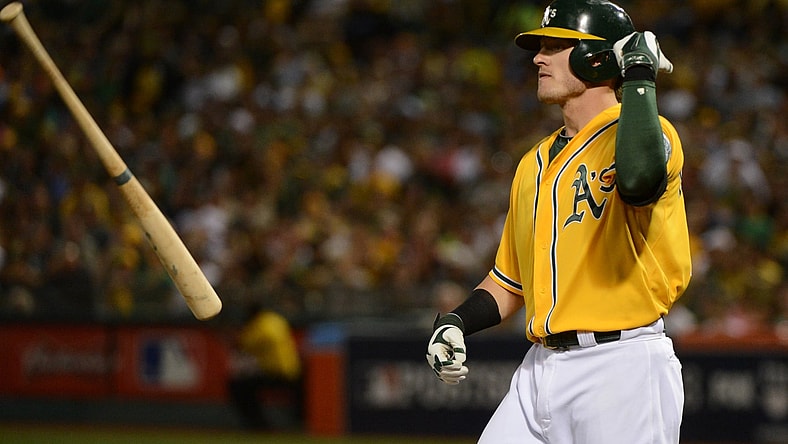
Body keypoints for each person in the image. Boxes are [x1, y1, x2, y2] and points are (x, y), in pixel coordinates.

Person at [425, 1, 692, 443]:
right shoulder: (532, 162)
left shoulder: (652, 133)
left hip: (621, 366)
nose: (538, 58)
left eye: (555, 46)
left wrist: (639, 75)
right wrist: (456, 320)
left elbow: (638, 181)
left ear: (597, 57)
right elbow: (510, 280)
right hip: (539, 368)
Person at [228, 304, 302, 430]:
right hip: (293, 369)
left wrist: (236, 337)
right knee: (244, 384)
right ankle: (262, 423)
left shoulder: (260, 325)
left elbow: (244, 344)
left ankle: (258, 423)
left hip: (277, 372)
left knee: (238, 386)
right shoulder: (275, 319)